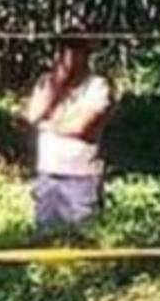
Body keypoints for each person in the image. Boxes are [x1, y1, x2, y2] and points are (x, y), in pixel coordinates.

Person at [20, 28, 115, 236]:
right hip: (48, 175)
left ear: (86, 54)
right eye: (64, 48)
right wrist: (59, 81)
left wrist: (48, 124)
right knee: (46, 237)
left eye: (76, 49)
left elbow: (82, 126)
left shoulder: (97, 86)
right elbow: (32, 116)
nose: (69, 55)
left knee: (83, 237)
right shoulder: (46, 83)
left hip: (81, 178)